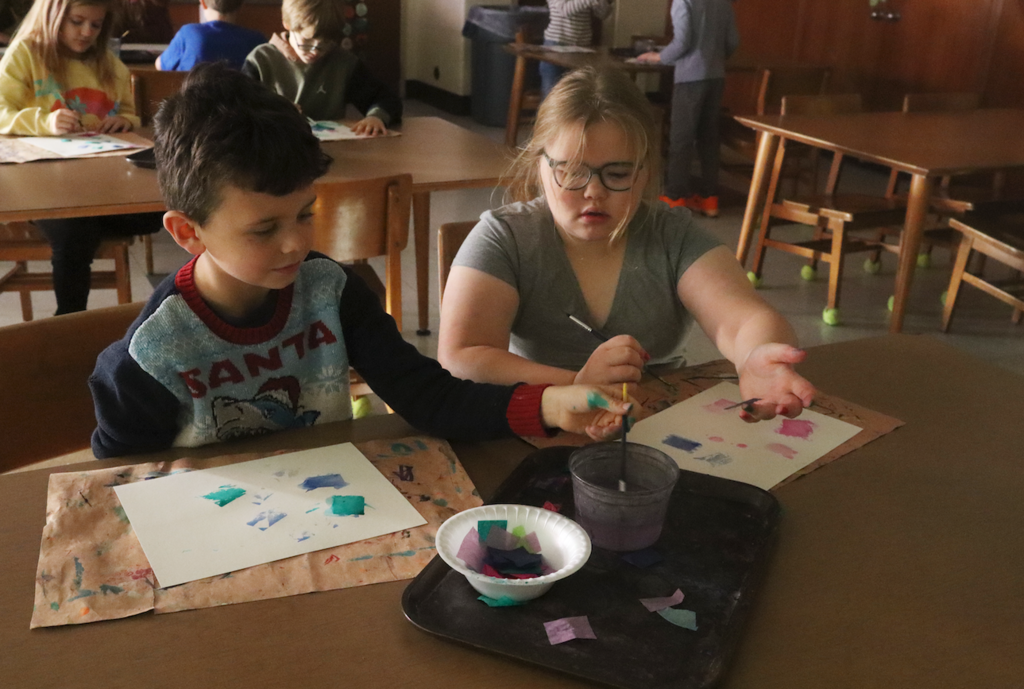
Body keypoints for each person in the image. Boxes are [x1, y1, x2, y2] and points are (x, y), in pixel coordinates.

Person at [88, 63, 631, 458]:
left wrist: (549, 406)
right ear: (188, 232)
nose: (296, 245)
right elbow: (123, 481)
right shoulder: (151, 356)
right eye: (264, 229)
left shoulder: (331, 291)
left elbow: (428, 396)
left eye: (304, 213)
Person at [437, 67, 815, 423]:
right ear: (540, 166)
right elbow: (463, 356)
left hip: (653, 422)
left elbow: (742, 319)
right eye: (571, 172)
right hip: (540, 419)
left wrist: (757, 355)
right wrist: (575, 384)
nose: (594, 192)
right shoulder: (507, 237)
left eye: (618, 174)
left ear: (646, 171)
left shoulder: (672, 235)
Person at [0, 0, 162, 315]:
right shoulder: (26, 54)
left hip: (99, 180)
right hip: (41, 184)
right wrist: (44, 122)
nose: (87, 32)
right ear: (53, 17)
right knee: (75, 231)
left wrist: (125, 120)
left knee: (155, 213)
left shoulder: (107, 63)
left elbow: (128, 110)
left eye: (96, 25)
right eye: (77, 21)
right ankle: (69, 320)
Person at [637, 0, 738, 218]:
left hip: (690, 78)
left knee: (681, 139)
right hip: (716, 76)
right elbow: (732, 41)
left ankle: (675, 197)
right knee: (709, 139)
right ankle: (709, 199)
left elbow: (683, 42)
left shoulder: (684, 2)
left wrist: (659, 56)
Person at [241, 0, 399, 136]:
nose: (315, 52)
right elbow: (237, 111)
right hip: (275, 152)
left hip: (331, 151)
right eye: (307, 41)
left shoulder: (344, 63)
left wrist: (376, 117)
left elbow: (387, 99)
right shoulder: (261, 60)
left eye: (325, 43)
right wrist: (273, 111)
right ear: (287, 24)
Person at [156, 0, 265, 71]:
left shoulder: (188, 33)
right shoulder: (257, 40)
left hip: (193, 105)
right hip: (240, 106)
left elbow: (160, 65)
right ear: (242, 4)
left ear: (202, 2)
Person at [540, 0, 613, 97]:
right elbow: (564, 10)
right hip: (556, 45)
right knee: (551, 95)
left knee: (577, 94)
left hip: (582, 48)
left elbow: (603, 14)